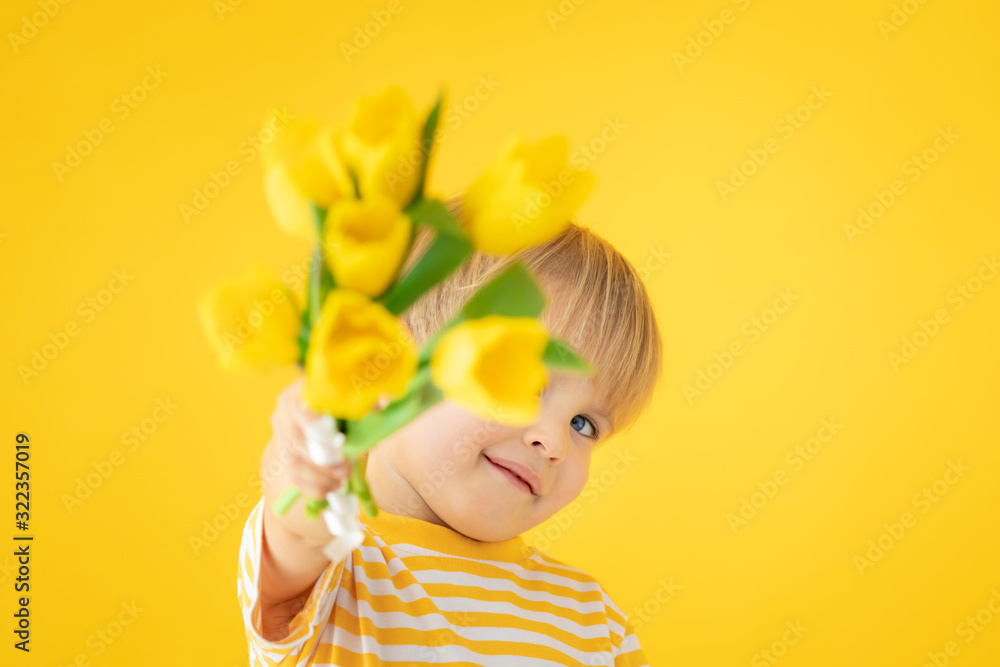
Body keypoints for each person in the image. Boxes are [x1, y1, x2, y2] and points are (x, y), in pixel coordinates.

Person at [237, 196, 664, 665]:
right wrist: (309, 449)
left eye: (584, 424)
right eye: (520, 378)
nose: (555, 441)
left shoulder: (593, 619)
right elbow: (298, 527)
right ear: (391, 366)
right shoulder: (336, 566)